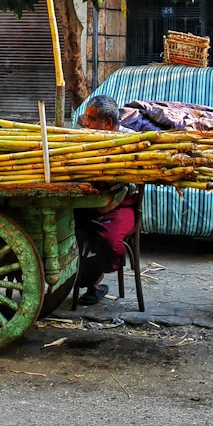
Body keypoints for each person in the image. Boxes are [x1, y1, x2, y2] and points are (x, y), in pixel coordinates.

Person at [74, 95, 139, 306]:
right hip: (88, 202)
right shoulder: (83, 138)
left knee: (110, 242)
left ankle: (89, 280)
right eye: (86, 118)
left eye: (91, 119)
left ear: (108, 124)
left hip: (121, 204)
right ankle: (73, 278)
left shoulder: (132, 142)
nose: (85, 123)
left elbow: (135, 181)